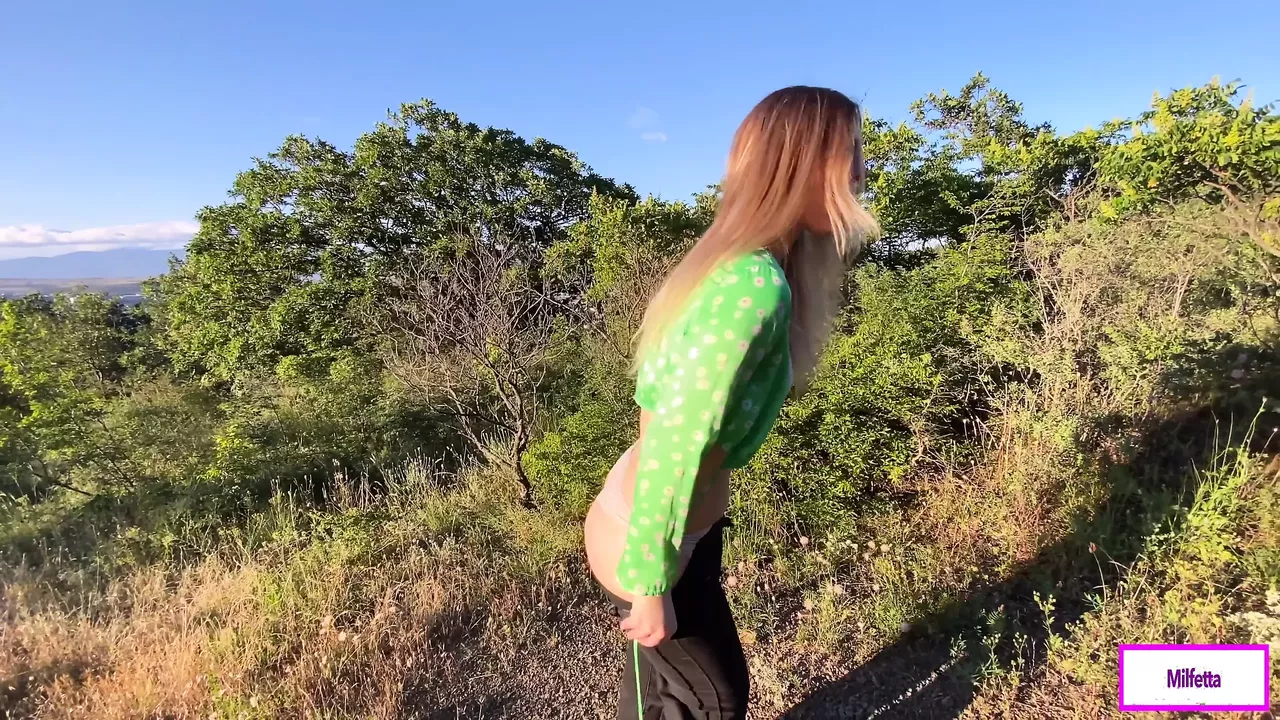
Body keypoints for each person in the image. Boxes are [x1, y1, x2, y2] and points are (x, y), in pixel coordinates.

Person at [582, 85, 879, 719]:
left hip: (670, 528)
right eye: (850, 151)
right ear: (801, 165)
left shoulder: (739, 266)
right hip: (653, 538)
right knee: (711, 701)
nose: (861, 170)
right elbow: (675, 436)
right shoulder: (753, 288)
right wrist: (652, 583)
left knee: (663, 694)